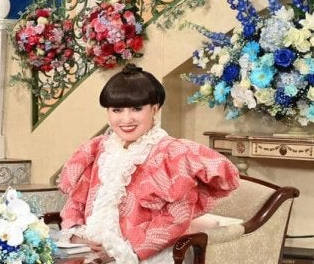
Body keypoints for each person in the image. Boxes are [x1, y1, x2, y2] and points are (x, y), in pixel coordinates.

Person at [57, 64, 240, 264]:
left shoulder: (174, 154)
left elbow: (176, 217)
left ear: (155, 109)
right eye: (117, 110)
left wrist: (121, 252)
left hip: (146, 256)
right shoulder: (97, 149)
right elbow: (76, 201)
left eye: (137, 109)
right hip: (91, 253)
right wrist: (76, 234)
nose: (126, 119)